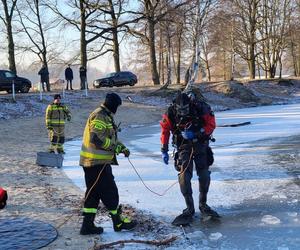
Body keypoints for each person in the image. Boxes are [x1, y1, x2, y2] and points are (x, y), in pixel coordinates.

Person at [79, 93, 136, 235]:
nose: (117, 108)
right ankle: (118, 222)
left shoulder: (105, 115)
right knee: (110, 191)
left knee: (93, 194)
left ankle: (87, 226)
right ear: (112, 104)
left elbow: (107, 136)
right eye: (117, 105)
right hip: (96, 162)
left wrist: (120, 147)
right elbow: (96, 139)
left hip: (93, 163)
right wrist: (114, 147)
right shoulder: (100, 116)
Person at [160, 90, 218, 221]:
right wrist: (164, 149)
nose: (183, 112)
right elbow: (165, 130)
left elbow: (211, 124)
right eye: (180, 109)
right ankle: (189, 208)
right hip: (183, 146)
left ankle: (203, 204)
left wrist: (197, 133)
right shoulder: (171, 112)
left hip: (200, 144)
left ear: (190, 104)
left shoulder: (201, 107)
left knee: (203, 174)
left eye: (185, 109)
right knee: (184, 176)